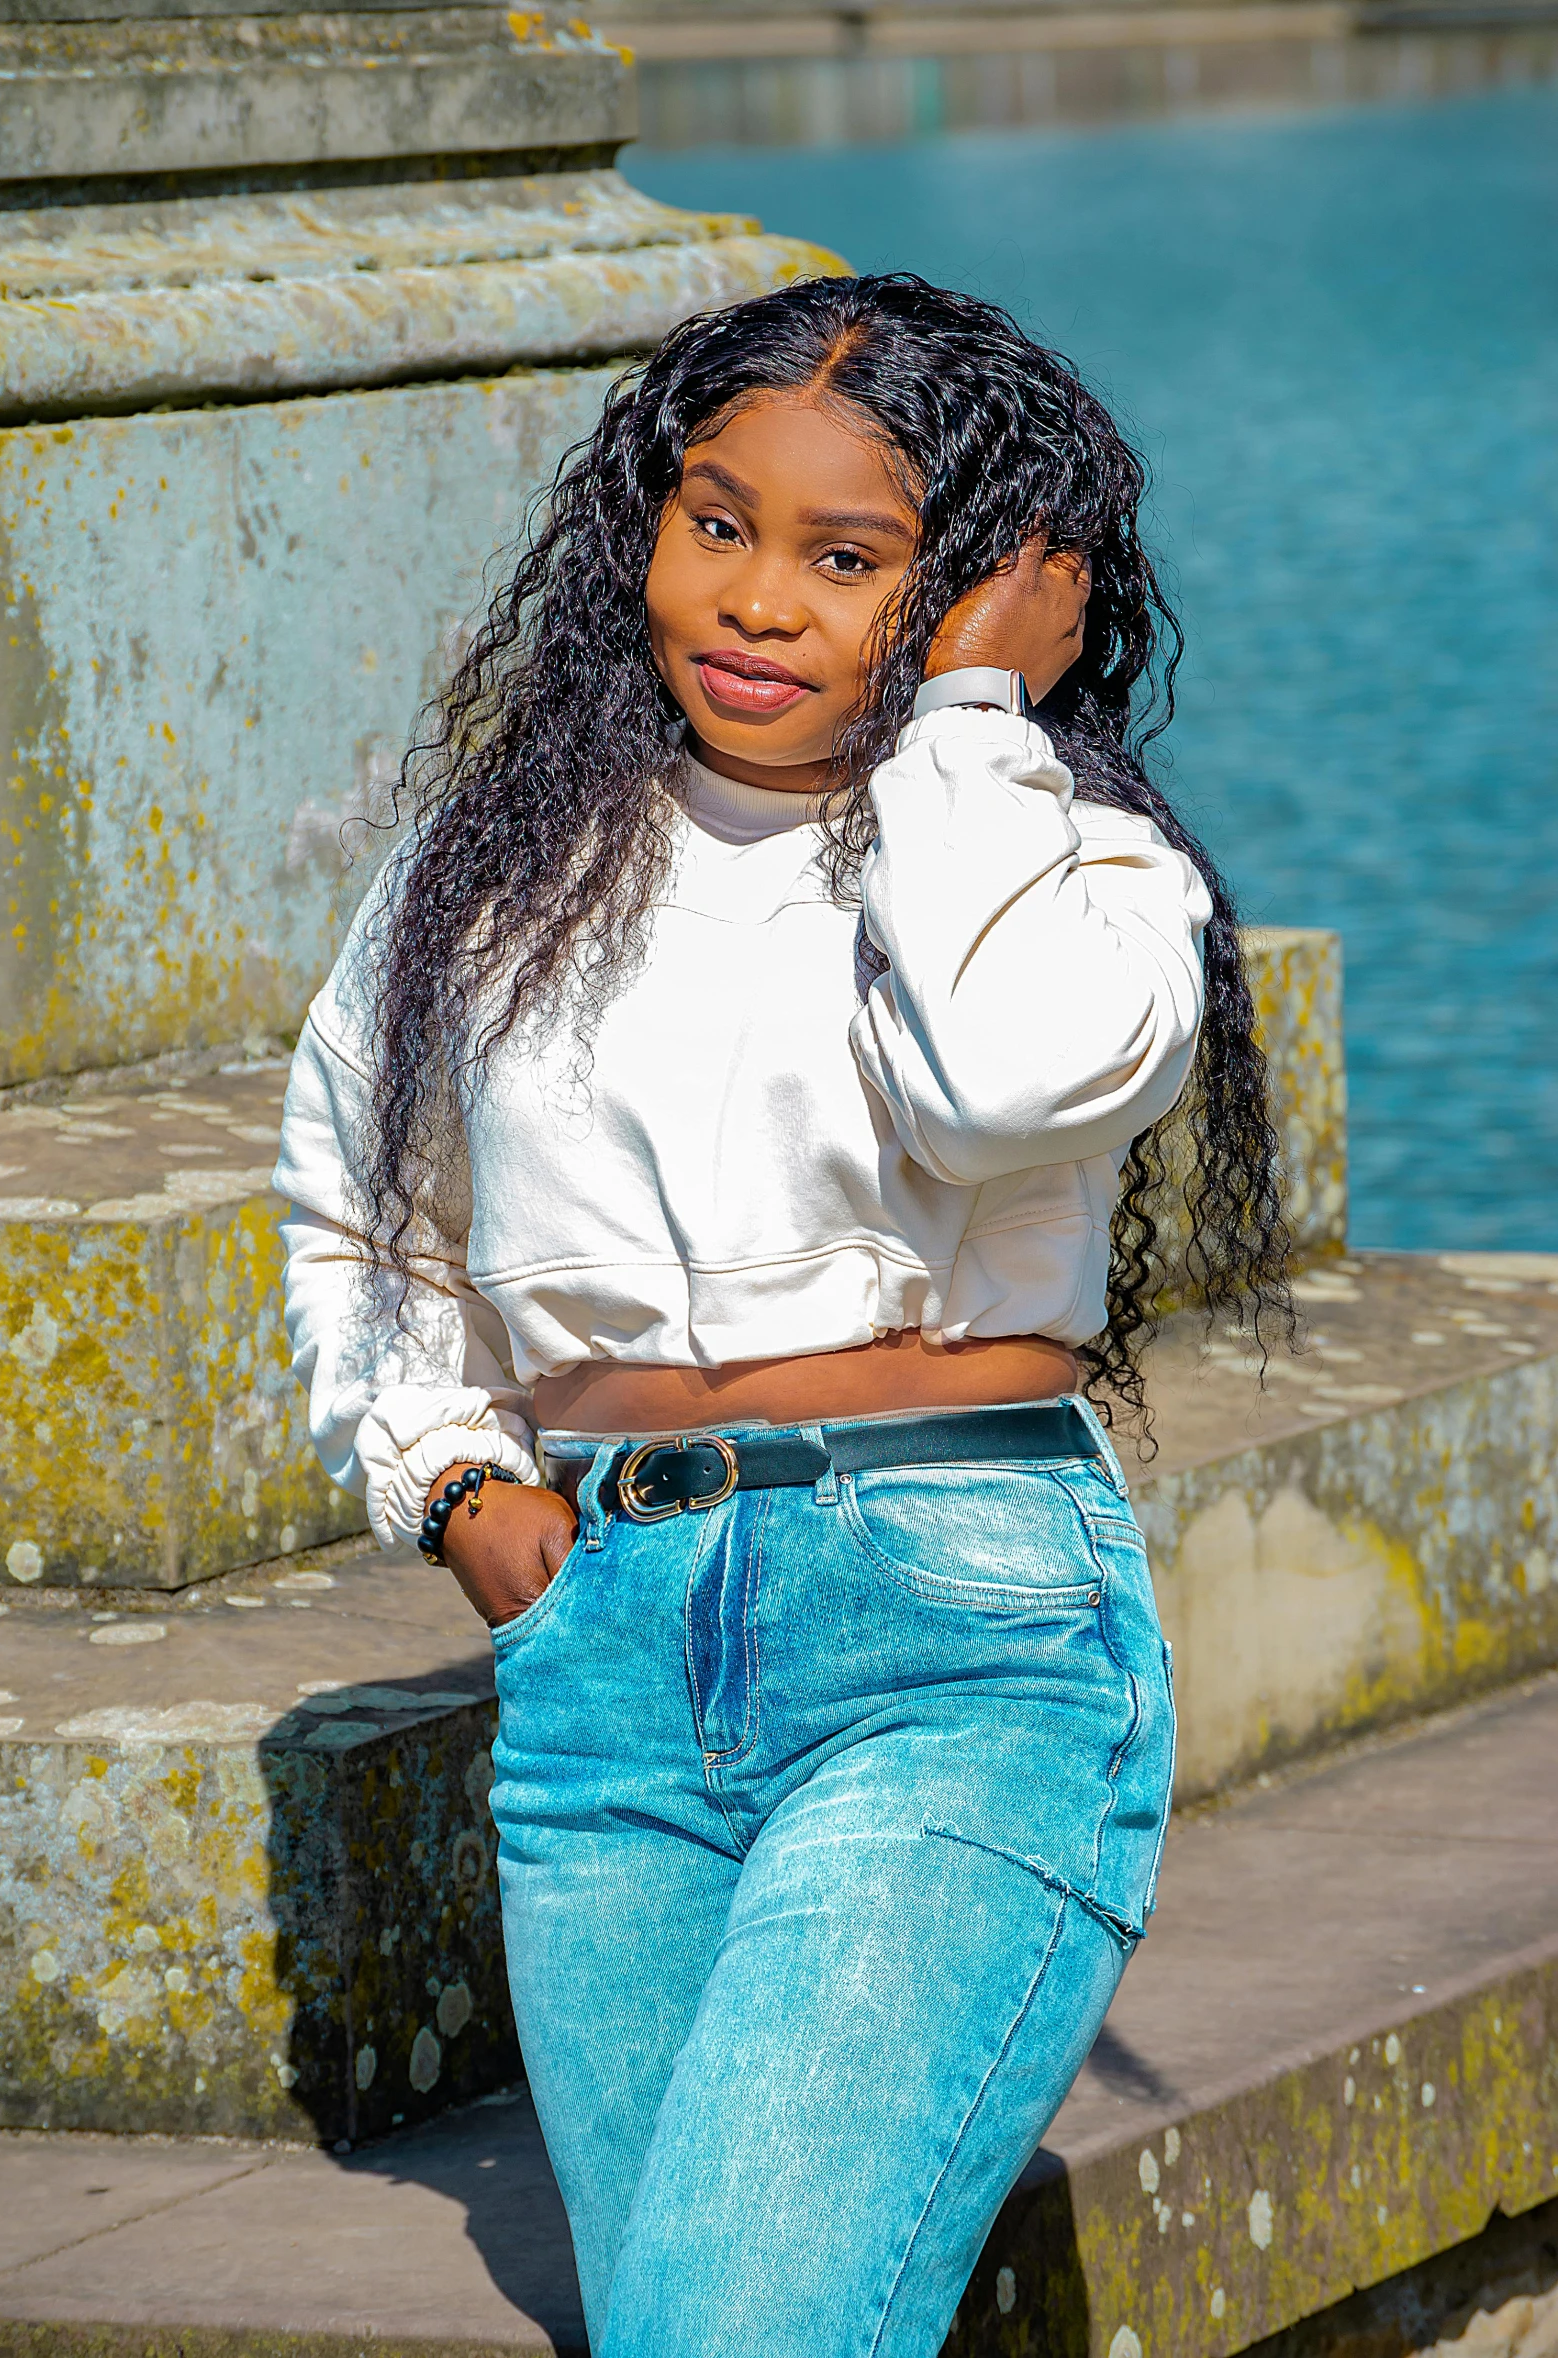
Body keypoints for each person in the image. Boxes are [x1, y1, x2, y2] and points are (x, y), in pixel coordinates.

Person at [275, 272, 1288, 2357]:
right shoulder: (498, 864)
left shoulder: (1082, 878)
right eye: (715, 521)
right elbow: (356, 1205)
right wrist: (464, 1488)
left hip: (956, 1642)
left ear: (998, 589)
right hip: (600, 1669)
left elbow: (991, 1086)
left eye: (848, 560)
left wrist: (972, 727)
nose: (753, 601)